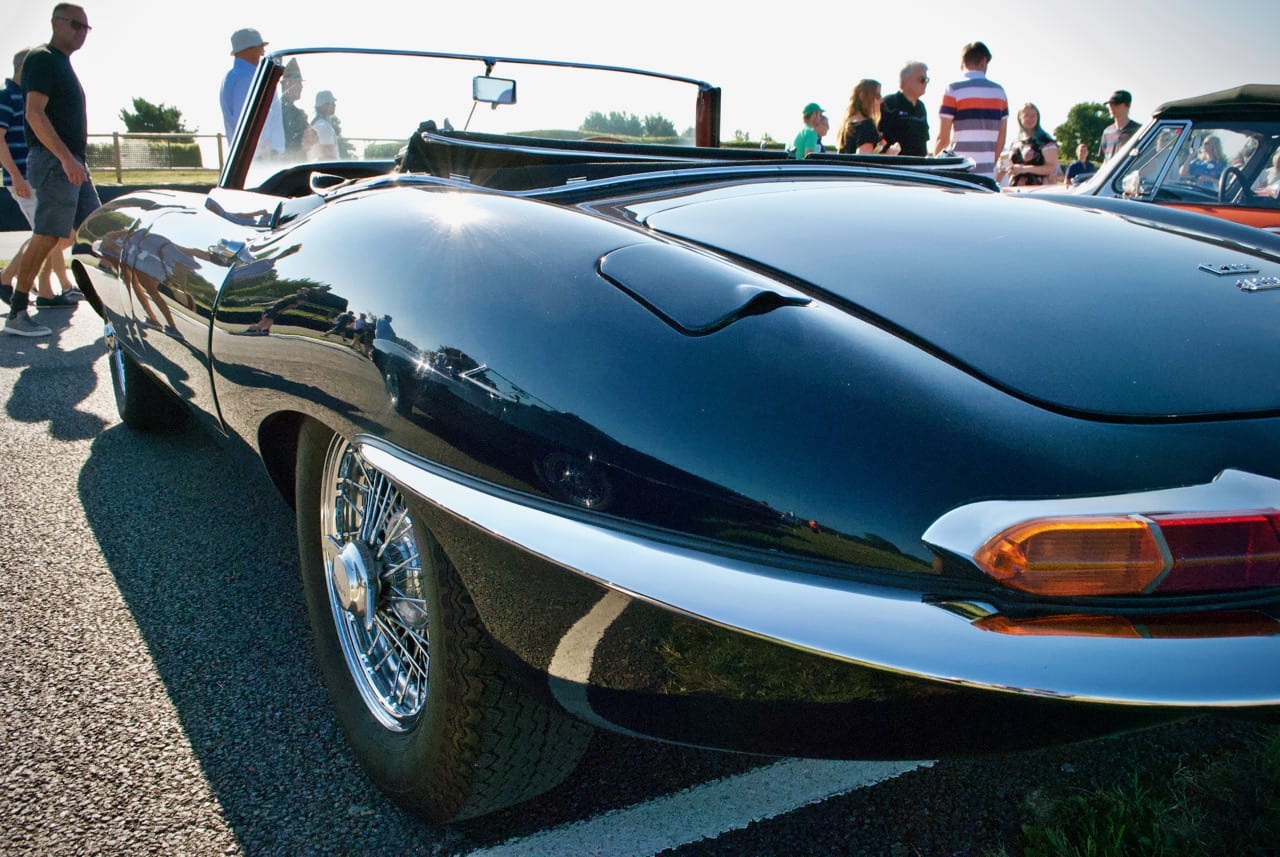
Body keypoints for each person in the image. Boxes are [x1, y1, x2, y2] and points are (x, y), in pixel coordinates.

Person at [6, 4, 99, 338]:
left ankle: (114, 307)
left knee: (96, 230)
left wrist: (75, 160)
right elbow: (34, 113)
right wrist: (65, 158)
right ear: (56, 23)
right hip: (55, 162)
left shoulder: (62, 63)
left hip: (72, 162)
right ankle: (17, 311)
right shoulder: (42, 58)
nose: (80, 33)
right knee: (47, 234)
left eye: (86, 28)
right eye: (75, 25)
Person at [0, 46, 78, 307]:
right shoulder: (6, 97)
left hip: (36, 176)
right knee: (50, 232)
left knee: (50, 233)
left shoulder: (25, 98)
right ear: (25, 68)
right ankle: (43, 291)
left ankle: (9, 277)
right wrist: (15, 176)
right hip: (22, 178)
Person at [932, 41, 1008, 179]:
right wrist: (989, 164)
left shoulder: (953, 89)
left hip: (957, 171)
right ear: (983, 62)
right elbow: (1001, 139)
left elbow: (943, 139)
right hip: (986, 174)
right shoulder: (1000, 92)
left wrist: (936, 168)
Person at [219, 28, 283, 154]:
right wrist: (263, 151)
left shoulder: (237, 76)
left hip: (256, 156)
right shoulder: (246, 78)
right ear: (249, 49)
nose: (263, 52)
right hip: (259, 157)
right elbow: (247, 121)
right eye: (259, 47)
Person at [1001, 103, 1059, 187]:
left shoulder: (1045, 140)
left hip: (1038, 190)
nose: (1030, 119)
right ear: (1020, 118)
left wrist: (1024, 169)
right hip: (1016, 190)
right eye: (1026, 115)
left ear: (1038, 117)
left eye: (1033, 116)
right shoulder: (1015, 142)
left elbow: (1052, 168)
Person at [879, 61, 930, 157]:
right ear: (907, 80)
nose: (925, 83)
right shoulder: (889, 103)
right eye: (922, 79)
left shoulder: (921, 107)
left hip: (918, 167)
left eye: (927, 80)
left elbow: (924, 141)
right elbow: (877, 137)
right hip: (895, 167)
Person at [837, 79, 898, 155]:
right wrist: (889, 155)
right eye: (878, 96)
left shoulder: (846, 125)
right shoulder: (867, 125)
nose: (881, 100)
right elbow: (864, 160)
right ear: (862, 96)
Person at [1099, 90, 1141, 163]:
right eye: (1110, 104)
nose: (1111, 107)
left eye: (1116, 104)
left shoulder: (1138, 131)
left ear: (1127, 106)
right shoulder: (1107, 132)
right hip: (1113, 174)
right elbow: (1105, 160)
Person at [308, 89, 340, 160]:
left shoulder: (317, 123)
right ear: (323, 105)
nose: (334, 105)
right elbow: (329, 154)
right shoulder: (324, 126)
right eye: (331, 103)